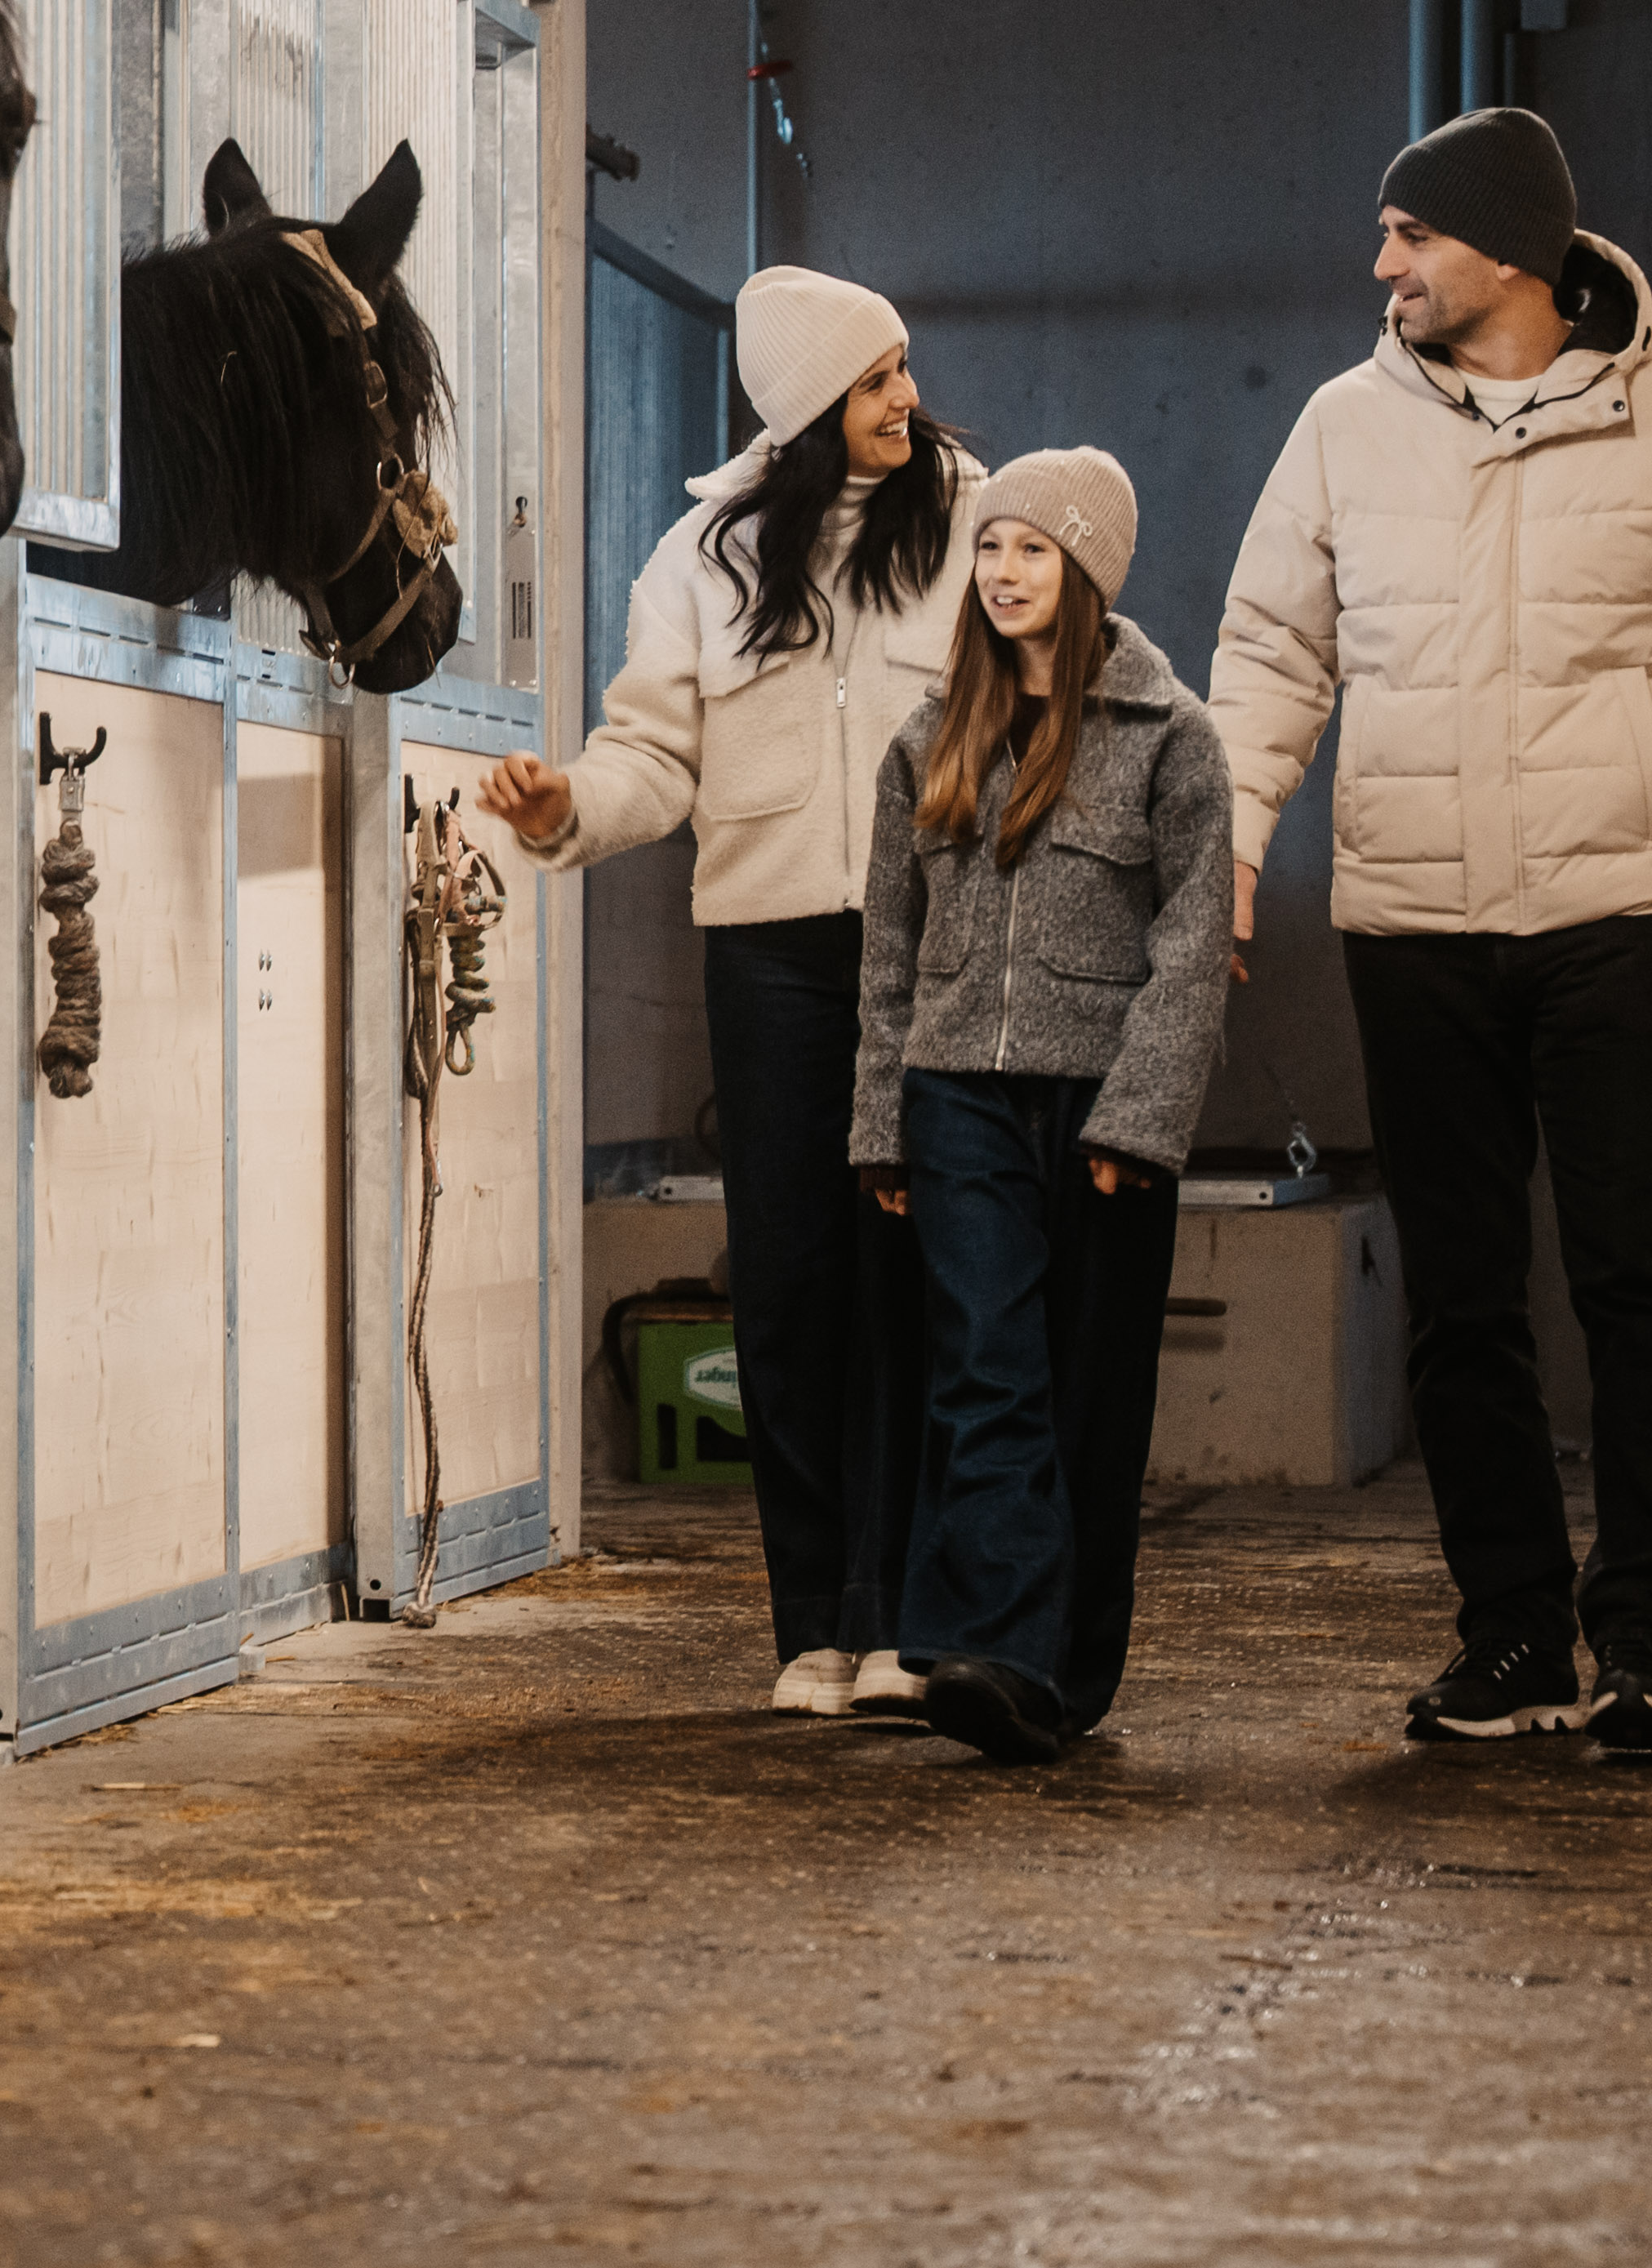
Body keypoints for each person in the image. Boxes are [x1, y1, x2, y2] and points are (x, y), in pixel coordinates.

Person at [1204, 105, 1652, 1759]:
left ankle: (1644, 1646)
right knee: (1460, 1297)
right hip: (1412, 920)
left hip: (1619, 913)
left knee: (1637, 1283)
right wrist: (1229, 848)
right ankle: (1513, 1640)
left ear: (1506, 250)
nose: (1383, 262)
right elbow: (1271, 654)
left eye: (1410, 233)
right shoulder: (1343, 429)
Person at [480, 270, 977, 1722]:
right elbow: (656, 755)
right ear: (816, 406)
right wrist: (568, 801)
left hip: (925, 944)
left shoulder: (963, 523)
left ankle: (904, 1619)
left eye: (905, 370)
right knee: (792, 1283)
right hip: (766, 955)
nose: (909, 401)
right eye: (880, 380)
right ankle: (811, 1625)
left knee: (914, 1285)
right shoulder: (699, 560)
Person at [846, 449, 1235, 1766]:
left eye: (1033, 552)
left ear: (1087, 573)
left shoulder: (1171, 739)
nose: (1003, 574)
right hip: (956, 1092)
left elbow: (1192, 944)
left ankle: (1062, 1673)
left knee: (1091, 1384)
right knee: (987, 1367)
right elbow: (887, 955)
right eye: (990, 549)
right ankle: (994, 1653)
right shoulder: (926, 738)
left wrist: (1140, 1118)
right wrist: (882, 1123)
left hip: (1100, 1101)